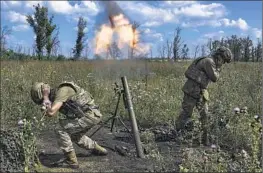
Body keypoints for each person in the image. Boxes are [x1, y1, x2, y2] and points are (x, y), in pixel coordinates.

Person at [30, 81, 108, 169]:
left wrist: (45, 98)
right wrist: (46, 102)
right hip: (87, 116)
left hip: (91, 115)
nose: (42, 103)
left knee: (60, 128)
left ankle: (71, 161)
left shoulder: (62, 91)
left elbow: (51, 112)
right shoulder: (57, 96)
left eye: (41, 101)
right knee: (76, 136)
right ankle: (99, 150)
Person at [176, 46, 233, 146]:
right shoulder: (209, 62)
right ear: (219, 56)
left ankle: (205, 140)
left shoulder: (210, 61)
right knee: (186, 113)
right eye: (223, 61)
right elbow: (214, 78)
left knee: (205, 115)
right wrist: (218, 68)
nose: (223, 63)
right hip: (192, 90)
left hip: (200, 91)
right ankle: (177, 135)